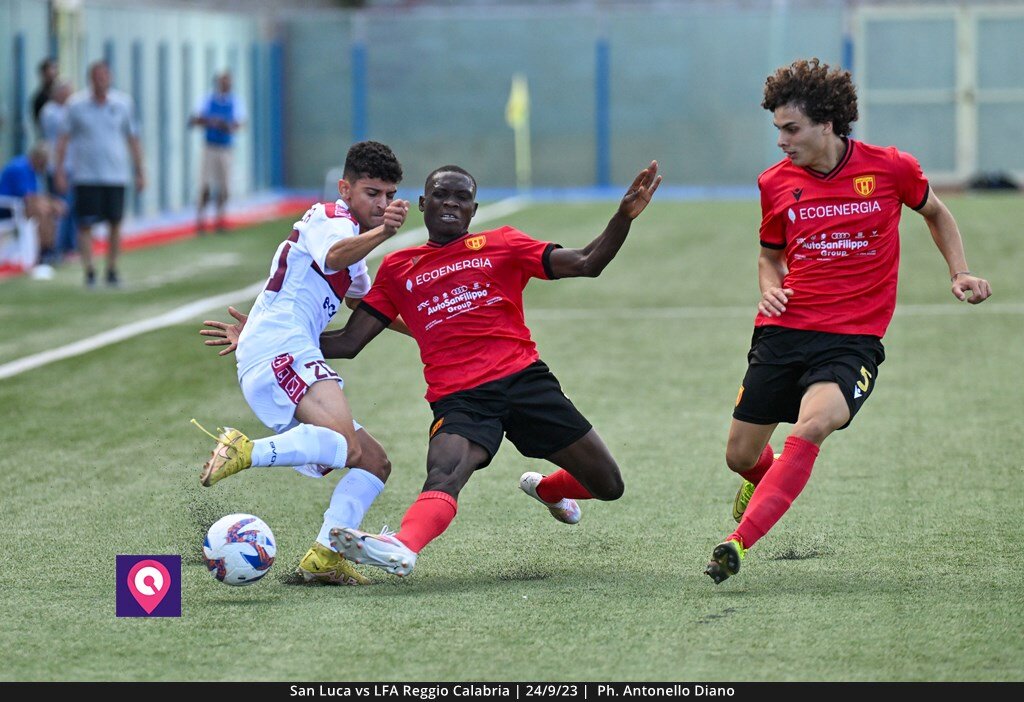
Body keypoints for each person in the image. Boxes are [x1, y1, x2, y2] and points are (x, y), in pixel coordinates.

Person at [208, 161, 662, 578]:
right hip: (460, 399)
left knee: (608, 484)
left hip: (526, 381)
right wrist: (265, 339)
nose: (451, 203)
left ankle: (546, 490)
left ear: (473, 208)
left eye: (461, 197)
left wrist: (623, 216)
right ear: (424, 205)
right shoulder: (398, 269)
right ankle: (400, 546)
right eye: (441, 195)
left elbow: (587, 262)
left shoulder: (502, 242)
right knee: (445, 474)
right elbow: (348, 342)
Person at [704, 58, 993, 584]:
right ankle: (762, 481)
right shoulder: (774, 183)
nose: (781, 141)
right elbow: (770, 255)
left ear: (828, 124)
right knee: (739, 455)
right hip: (784, 332)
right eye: (777, 130)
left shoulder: (891, 168)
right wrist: (769, 288)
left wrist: (960, 272)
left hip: (851, 341)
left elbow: (936, 212)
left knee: (814, 423)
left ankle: (736, 543)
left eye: (791, 129)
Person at [195, 141, 411, 586]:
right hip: (283, 349)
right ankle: (245, 450)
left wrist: (438, 331)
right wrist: (384, 233)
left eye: (389, 195)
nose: (382, 204)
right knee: (343, 444)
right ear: (344, 188)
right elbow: (334, 255)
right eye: (372, 193)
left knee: (373, 462)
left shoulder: (356, 255)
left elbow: (368, 308)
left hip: (279, 349)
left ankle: (325, 556)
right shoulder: (328, 219)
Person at [54, 61, 145, 288]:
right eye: (96, 77)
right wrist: (60, 171)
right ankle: (90, 270)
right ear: (90, 79)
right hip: (86, 174)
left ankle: (112, 269)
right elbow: (63, 140)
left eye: (104, 76)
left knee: (115, 223)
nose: (101, 81)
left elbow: (132, 138)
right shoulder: (75, 105)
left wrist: (140, 170)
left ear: (110, 78)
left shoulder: (122, 104)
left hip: (115, 174)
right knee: (86, 223)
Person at [189, 71, 246, 233]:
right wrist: (212, 122)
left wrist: (226, 126)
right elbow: (195, 119)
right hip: (210, 146)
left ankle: (220, 218)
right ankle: (201, 219)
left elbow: (239, 123)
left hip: (226, 148)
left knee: (224, 186)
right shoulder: (207, 99)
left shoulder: (235, 101)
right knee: (204, 184)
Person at [0, 143, 64, 274]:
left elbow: (36, 195)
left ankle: (48, 250)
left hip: (19, 206)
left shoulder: (32, 170)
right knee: (41, 210)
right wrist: (50, 204)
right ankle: (44, 252)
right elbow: (28, 197)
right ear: (37, 158)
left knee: (49, 208)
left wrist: (54, 204)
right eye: (44, 162)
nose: (45, 166)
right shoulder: (20, 168)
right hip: (7, 209)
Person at [39, 81, 76, 260]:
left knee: (71, 208)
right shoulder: (50, 111)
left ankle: (70, 246)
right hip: (56, 167)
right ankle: (57, 247)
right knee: (59, 208)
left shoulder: (69, 110)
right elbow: (64, 130)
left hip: (72, 166)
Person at [30, 58, 58, 136]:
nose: (52, 78)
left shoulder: (62, 95)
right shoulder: (39, 98)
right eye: (49, 75)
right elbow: (39, 124)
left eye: (54, 75)